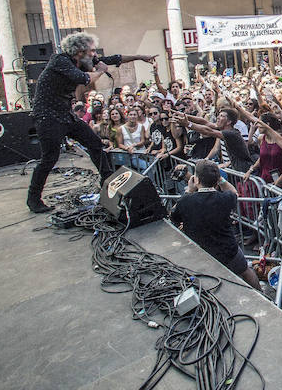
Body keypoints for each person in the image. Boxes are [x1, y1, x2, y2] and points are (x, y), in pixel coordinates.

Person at [26, 32, 154, 213]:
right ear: (79, 51)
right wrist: (101, 71)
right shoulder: (60, 60)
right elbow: (84, 79)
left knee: (94, 143)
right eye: (92, 51)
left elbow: (113, 58)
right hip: (48, 116)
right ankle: (33, 199)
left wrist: (141, 57)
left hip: (66, 115)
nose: (95, 55)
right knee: (49, 158)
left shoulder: (86, 60)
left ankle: (107, 180)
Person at [169, 159, 260, 290]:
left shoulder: (186, 201)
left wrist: (189, 190)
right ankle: (263, 296)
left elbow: (173, 215)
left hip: (202, 254)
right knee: (245, 271)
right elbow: (234, 192)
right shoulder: (224, 198)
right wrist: (221, 180)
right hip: (228, 250)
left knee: (208, 285)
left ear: (197, 180)